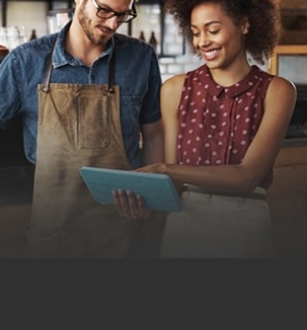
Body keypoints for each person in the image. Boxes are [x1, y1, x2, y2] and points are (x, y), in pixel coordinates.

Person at [0, 0, 166, 258]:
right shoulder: (26, 61)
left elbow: (154, 134)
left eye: (122, 15)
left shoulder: (141, 58)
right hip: (54, 235)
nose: (112, 24)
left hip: (124, 230)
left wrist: (153, 207)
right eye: (104, 11)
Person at [115, 0, 297, 258]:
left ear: (245, 25)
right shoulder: (174, 90)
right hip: (184, 220)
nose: (202, 42)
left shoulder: (278, 91)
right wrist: (147, 212)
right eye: (196, 32)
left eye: (213, 30)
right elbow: (172, 185)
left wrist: (164, 169)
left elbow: (247, 177)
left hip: (246, 222)